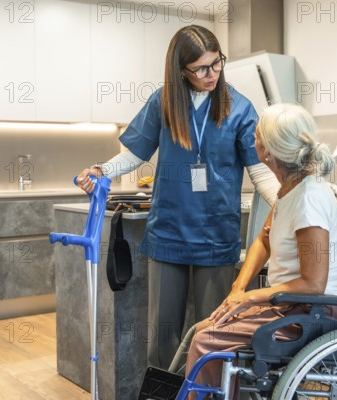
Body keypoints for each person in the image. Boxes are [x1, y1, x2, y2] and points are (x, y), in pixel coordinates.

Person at [77, 25, 279, 369]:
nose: (212, 74)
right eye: (201, 68)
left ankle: (207, 392)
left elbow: (260, 172)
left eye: (217, 64)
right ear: (180, 69)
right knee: (162, 336)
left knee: (215, 332)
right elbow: (134, 153)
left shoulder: (240, 108)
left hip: (215, 234)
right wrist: (101, 170)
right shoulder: (163, 102)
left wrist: (290, 201)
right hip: (169, 230)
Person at [185, 103, 337, 396]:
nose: (252, 139)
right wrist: (237, 290)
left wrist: (251, 296)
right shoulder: (289, 188)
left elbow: (313, 284)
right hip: (295, 305)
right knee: (205, 327)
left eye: (256, 135)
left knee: (207, 341)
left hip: (319, 312)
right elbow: (264, 239)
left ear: (268, 152)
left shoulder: (309, 198)